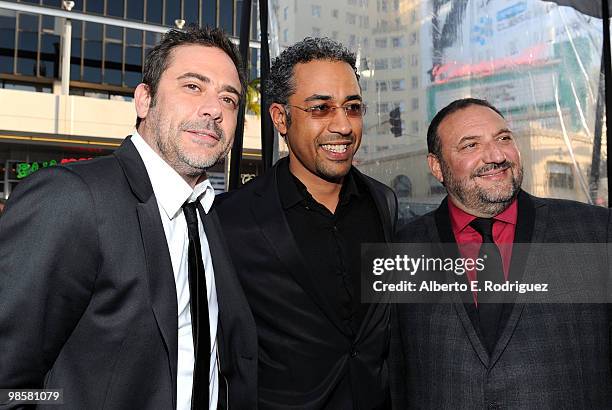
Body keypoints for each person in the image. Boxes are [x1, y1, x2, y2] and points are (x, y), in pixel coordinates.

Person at [0, 26, 256, 409]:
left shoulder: (207, 214)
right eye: (192, 87)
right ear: (144, 100)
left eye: (229, 99)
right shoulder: (72, 198)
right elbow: (9, 385)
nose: (213, 110)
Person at [390, 98, 612, 408]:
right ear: (436, 166)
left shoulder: (595, 233)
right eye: (470, 145)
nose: (496, 155)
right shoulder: (401, 252)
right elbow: (393, 377)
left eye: (504, 138)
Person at [216, 37, 398, 409]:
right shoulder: (229, 218)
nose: (343, 126)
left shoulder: (384, 203)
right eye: (321, 109)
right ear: (281, 118)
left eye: (353, 107)